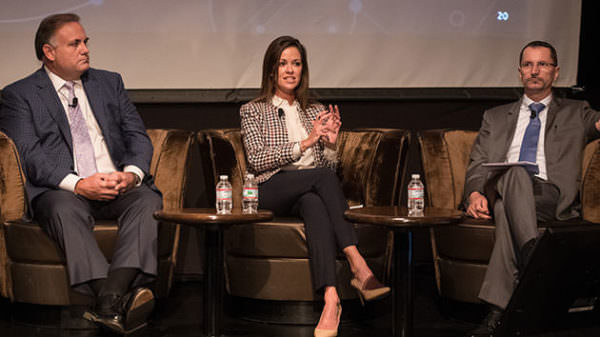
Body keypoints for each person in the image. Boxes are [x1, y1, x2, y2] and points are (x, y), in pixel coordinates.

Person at [0, 13, 160, 334]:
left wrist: (130, 175)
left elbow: (137, 136)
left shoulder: (108, 82)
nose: (85, 49)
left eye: (86, 42)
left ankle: (108, 301)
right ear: (49, 52)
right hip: (64, 190)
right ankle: (117, 298)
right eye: (75, 44)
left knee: (147, 200)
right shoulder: (20, 95)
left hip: (115, 185)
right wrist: (78, 184)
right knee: (62, 207)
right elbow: (30, 155)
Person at [239, 35, 390, 337]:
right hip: (271, 187)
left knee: (314, 203)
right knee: (318, 180)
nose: (290, 70)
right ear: (271, 70)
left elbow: (328, 171)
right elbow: (256, 160)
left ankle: (331, 299)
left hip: (308, 189)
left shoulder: (315, 109)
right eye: (283, 64)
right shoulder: (253, 110)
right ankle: (357, 263)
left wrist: (331, 146)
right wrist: (306, 142)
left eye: (296, 63)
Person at [464, 40, 600, 336]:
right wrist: (474, 194)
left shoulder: (577, 112)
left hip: (549, 196)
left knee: (504, 208)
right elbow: (478, 162)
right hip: (503, 184)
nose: (534, 70)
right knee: (515, 174)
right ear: (520, 72)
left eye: (542, 64)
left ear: (556, 72)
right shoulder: (495, 116)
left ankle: (496, 312)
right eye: (528, 65)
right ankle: (533, 257)